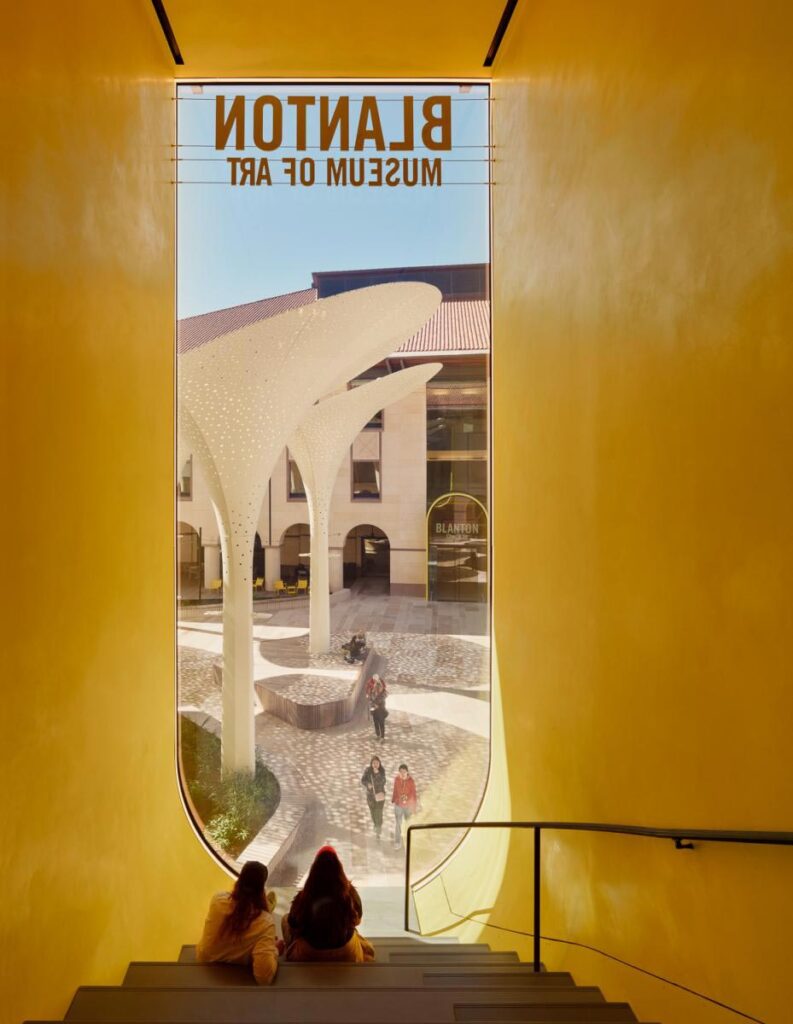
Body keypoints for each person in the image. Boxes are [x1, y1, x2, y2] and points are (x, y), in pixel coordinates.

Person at [282, 846, 375, 962]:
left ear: (314, 870)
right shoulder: (350, 894)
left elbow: (293, 923)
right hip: (347, 953)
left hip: (309, 954)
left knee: (284, 919)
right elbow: (358, 921)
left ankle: (286, 950)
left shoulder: (303, 897)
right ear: (339, 868)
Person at [196, 860, 281, 984]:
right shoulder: (266, 923)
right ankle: (265, 907)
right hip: (235, 975)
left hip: (204, 961)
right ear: (261, 889)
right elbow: (264, 978)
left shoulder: (217, 901)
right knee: (263, 926)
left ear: (239, 881)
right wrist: (274, 949)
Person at [391, 763, 418, 849]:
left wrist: (413, 806)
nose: (402, 774)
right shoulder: (396, 779)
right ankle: (397, 842)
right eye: (401, 772)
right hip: (398, 805)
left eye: (404, 772)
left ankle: (408, 841)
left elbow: (413, 794)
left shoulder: (411, 781)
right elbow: (395, 790)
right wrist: (394, 799)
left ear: (407, 772)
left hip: (408, 807)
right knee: (398, 824)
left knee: (408, 824)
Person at [360, 755, 387, 838]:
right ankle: (376, 824)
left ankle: (378, 828)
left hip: (380, 796)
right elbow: (363, 780)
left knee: (379, 812)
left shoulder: (382, 771)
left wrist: (377, 774)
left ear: (379, 763)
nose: (375, 765)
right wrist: (368, 784)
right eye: (374, 763)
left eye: (377, 763)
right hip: (370, 797)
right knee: (373, 813)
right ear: (371, 764)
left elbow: (383, 782)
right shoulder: (368, 770)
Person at [366, 673, 388, 741]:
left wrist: (376, 704)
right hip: (375, 711)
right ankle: (378, 735)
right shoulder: (373, 692)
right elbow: (371, 699)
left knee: (381, 723)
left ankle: (382, 737)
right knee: (376, 723)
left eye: (379, 687)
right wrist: (371, 703)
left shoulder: (383, 693)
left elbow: (382, 700)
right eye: (376, 687)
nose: (378, 689)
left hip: (380, 711)